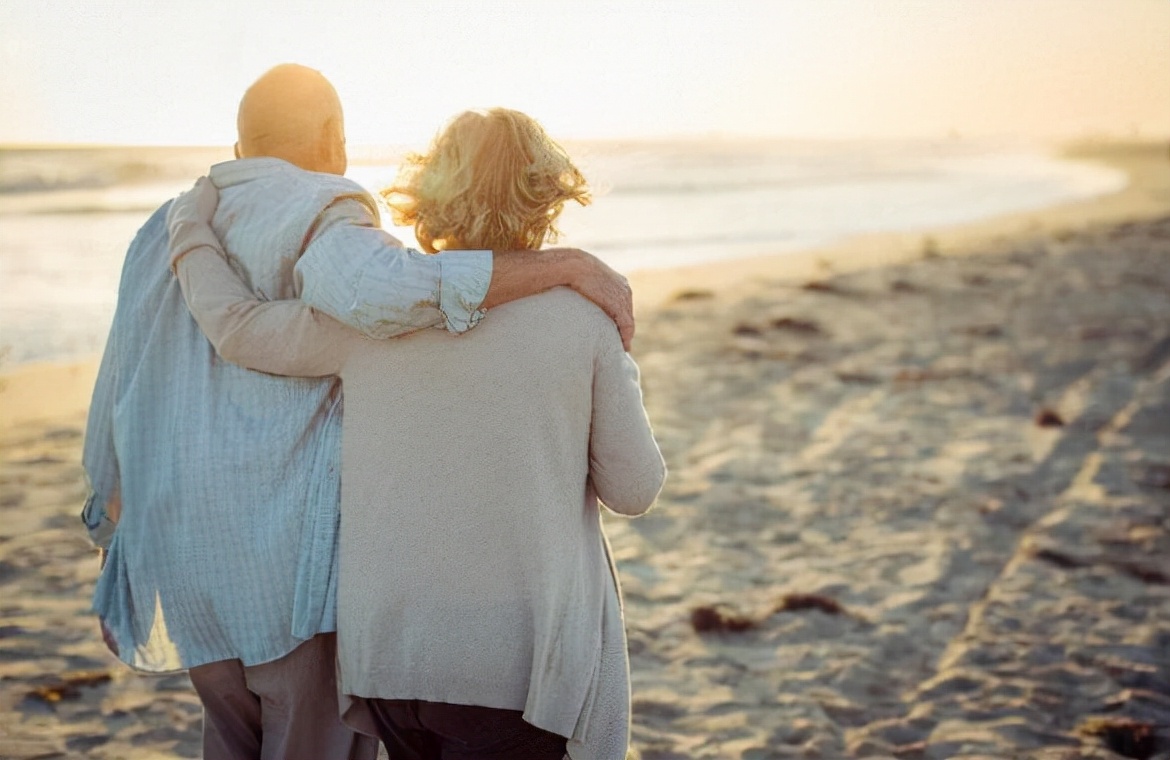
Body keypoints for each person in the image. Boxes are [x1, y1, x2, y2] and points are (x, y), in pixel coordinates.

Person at [81, 65, 635, 760]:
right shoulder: (324, 205)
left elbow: (121, 389)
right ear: (331, 135)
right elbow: (385, 291)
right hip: (293, 581)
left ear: (241, 139)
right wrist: (566, 267)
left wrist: (112, 542)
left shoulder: (163, 227)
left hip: (191, 571)